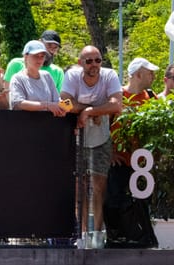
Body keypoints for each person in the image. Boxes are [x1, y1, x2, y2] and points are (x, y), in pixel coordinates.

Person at [60, 46, 123, 249]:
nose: (94, 65)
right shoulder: (72, 76)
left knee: (98, 186)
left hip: (101, 139)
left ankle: (97, 235)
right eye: (89, 61)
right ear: (81, 63)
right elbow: (64, 103)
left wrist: (88, 112)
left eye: (98, 60)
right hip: (76, 139)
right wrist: (92, 110)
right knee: (79, 188)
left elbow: (117, 105)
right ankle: (82, 234)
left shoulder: (109, 75)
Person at [106, 57, 160, 248]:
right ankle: (115, 237)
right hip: (120, 160)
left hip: (143, 163)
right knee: (114, 200)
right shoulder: (117, 96)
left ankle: (142, 238)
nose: (153, 76)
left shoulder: (151, 98)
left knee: (142, 202)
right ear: (138, 75)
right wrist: (110, 153)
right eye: (149, 73)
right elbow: (104, 125)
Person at [9, 41, 67, 116]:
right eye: (35, 56)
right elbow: (18, 103)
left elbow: (56, 100)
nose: (39, 60)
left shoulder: (47, 76)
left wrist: (62, 108)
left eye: (42, 56)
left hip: (48, 121)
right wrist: (47, 105)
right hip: (25, 122)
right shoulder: (17, 78)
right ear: (26, 57)